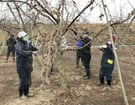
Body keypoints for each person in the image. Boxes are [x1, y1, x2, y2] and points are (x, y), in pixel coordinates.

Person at [15, 31, 38, 99]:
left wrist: (36, 49)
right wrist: (31, 52)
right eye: (25, 36)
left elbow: (34, 48)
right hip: (21, 66)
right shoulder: (18, 45)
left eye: (26, 36)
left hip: (28, 65)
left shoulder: (28, 43)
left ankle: (26, 93)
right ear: (21, 38)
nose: (26, 37)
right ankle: (21, 94)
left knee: (28, 81)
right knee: (23, 81)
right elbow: (22, 53)